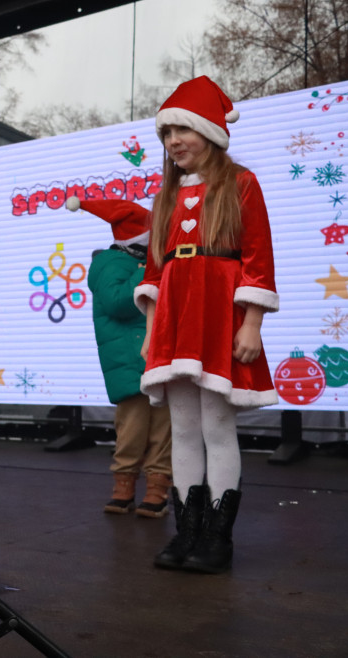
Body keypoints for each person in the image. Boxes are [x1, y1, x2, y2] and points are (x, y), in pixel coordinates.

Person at [134, 76, 278, 573]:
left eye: (182, 129)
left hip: (221, 314)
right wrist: (153, 333)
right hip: (175, 320)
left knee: (217, 426)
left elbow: (259, 259)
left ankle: (218, 538)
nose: (173, 141)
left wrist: (252, 324)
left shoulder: (242, 183)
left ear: (211, 132)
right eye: (166, 133)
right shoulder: (167, 197)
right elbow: (154, 272)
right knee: (184, 430)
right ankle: (187, 533)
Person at [67, 196, 172, 517]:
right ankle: (123, 484)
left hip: (161, 355)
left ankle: (158, 486)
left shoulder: (154, 264)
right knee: (133, 426)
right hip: (128, 361)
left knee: (164, 427)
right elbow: (118, 303)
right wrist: (146, 271)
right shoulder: (110, 264)